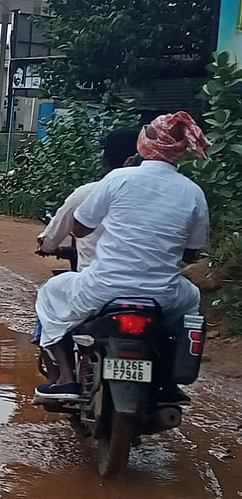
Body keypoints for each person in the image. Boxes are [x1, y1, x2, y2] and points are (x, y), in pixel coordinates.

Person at [34, 112, 210, 400]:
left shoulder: (118, 179)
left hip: (103, 290)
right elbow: (192, 251)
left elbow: (80, 227)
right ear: (178, 150)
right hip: (161, 295)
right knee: (191, 299)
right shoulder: (193, 192)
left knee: (49, 295)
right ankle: (168, 382)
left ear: (146, 143)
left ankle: (66, 378)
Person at [36, 127, 142, 272]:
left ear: (104, 161)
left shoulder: (86, 193)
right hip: (157, 285)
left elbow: (50, 241)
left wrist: (46, 247)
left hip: (95, 283)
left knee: (49, 291)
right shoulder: (165, 195)